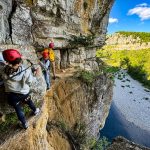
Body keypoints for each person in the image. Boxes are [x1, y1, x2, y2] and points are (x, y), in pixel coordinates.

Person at [0, 49, 40, 129]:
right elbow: (30, 81)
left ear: (6, 62)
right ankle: (35, 110)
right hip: (24, 93)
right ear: (19, 62)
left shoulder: (2, 70)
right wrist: (36, 75)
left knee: (18, 109)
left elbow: (6, 64)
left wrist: (15, 60)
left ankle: (24, 124)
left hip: (12, 96)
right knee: (29, 101)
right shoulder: (26, 71)